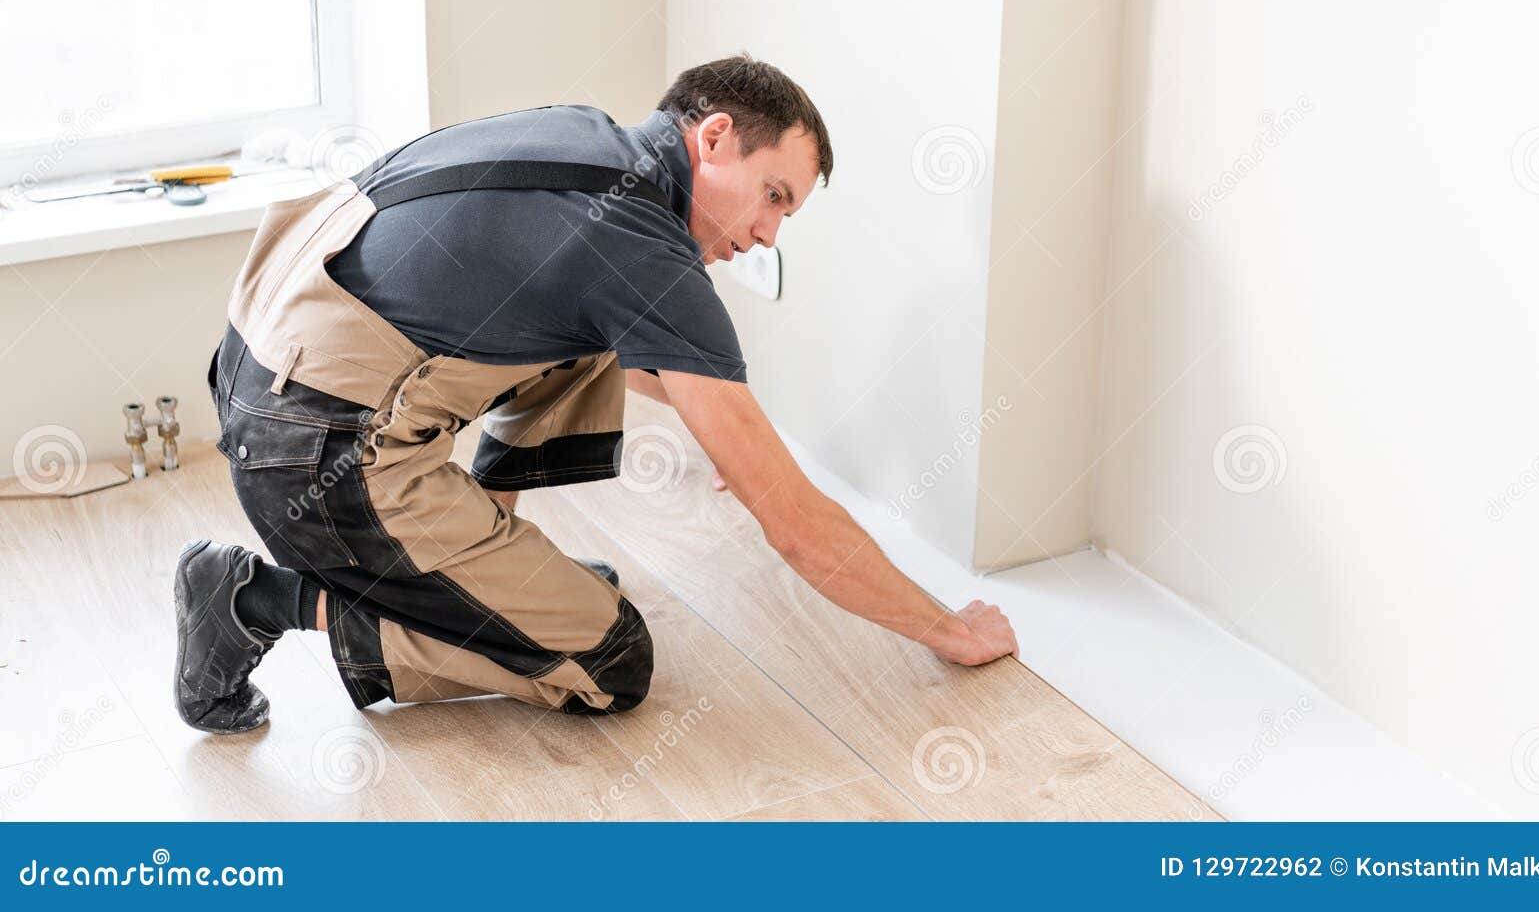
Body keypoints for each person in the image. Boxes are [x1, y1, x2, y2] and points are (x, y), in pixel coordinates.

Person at [174, 54, 1017, 733]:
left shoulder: (588, 145)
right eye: (774, 197)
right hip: (319, 459)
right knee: (611, 661)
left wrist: (731, 433)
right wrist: (947, 627)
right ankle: (256, 599)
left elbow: (639, 357)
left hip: (268, 384)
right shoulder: (642, 248)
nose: (767, 233)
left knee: (580, 336)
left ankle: (485, 556)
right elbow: (794, 528)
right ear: (715, 136)